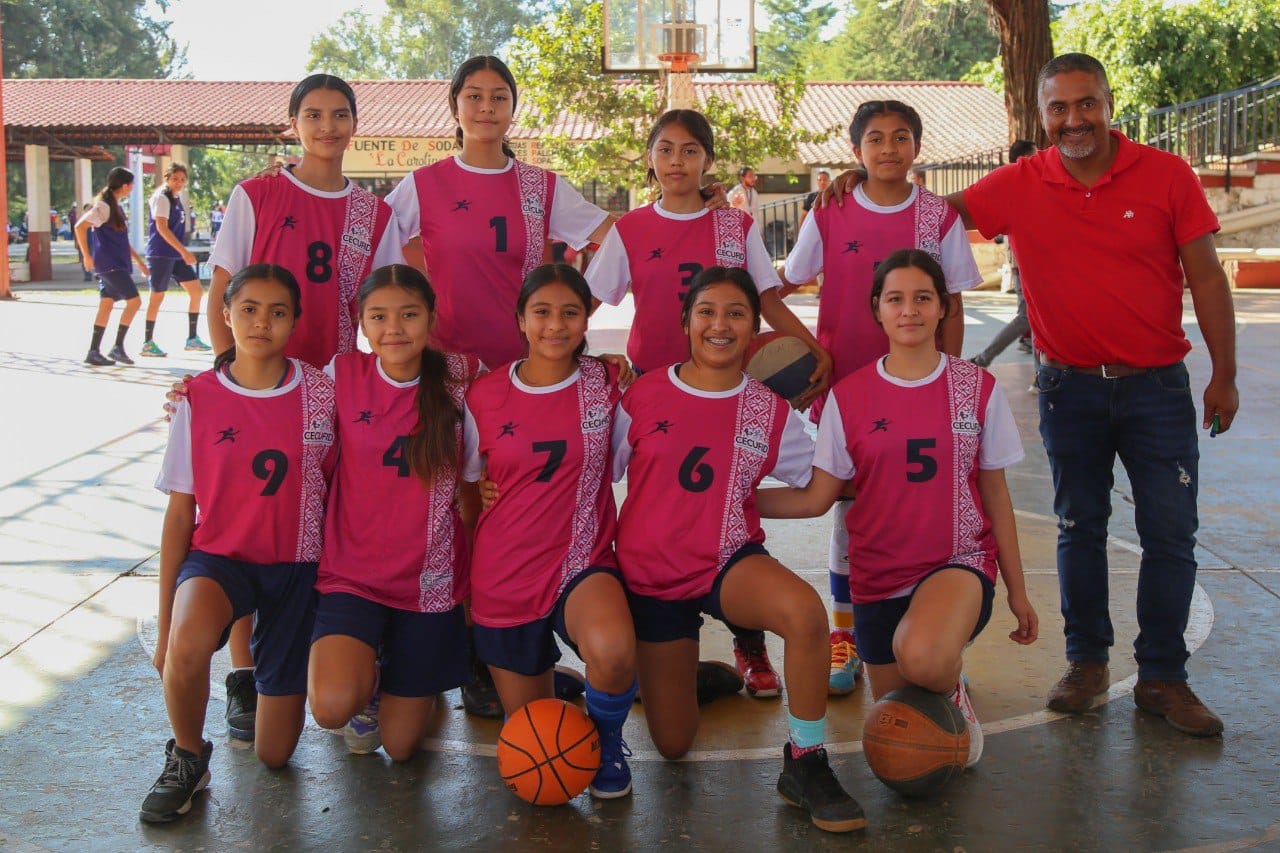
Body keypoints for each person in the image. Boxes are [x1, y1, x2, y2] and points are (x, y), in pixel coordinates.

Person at [952, 53, 1237, 736]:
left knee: (1171, 531)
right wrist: (855, 185)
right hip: (1066, 388)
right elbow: (926, 212)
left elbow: (1206, 277)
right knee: (1081, 527)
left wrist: (1224, 373)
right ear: (1043, 114)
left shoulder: (1166, 175)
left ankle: (1164, 676)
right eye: (1059, 108)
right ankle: (1085, 663)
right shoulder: (1022, 182)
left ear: (1110, 104)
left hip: (1158, 390)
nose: (1073, 120)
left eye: (1087, 104)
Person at [384, 55, 616, 717]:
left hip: (526, 377)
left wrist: (573, 314)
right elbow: (370, 247)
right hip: (447, 374)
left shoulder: (542, 186)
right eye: (475, 96)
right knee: (451, 508)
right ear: (454, 105)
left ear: (513, 109)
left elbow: (611, 239)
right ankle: (459, 645)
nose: (487, 108)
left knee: (510, 511)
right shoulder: (423, 185)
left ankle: (510, 645)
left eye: (499, 98)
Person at [757, 249, 1038, 771]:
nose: (909, 310)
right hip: (877, 574)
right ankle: (934, 673)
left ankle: (952, 687)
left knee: (925, 660)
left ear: (943, 309)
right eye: (896, 299)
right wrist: (736, 501)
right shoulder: (849, 396)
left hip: (957, 561)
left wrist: (1018, 590)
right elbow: (819, 496)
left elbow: (996, 492)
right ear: (878, 310)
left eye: (922, 298)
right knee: (894, 734)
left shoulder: (976, 388)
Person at [586, 108, 833, 697]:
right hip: (655, 384)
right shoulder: (630, 230)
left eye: (690, 151)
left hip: (728, 389)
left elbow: (764, 299)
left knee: (727, 518)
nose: (677, 161)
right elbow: (587, 302)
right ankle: (661, 627)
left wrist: (809, 344)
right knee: (664, 516)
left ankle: (749, 642)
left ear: (707, 160)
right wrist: (566, 359)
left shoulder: (732, 228)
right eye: (665, 150)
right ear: (650, 159)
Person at [611, 266, 866, 834]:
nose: (719, 325)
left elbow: (812, 496)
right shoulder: (643, 393)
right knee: (674, 744)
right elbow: (596, 478)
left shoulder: (768, 409)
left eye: (735, 314)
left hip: (726, 559)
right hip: (650, 575)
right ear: (686, 322)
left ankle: (804, 760)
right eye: (707, 312)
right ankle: (694, 674)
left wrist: (740, 498)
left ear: (755, 328)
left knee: (804, 614)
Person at [203, 73, 403, 742]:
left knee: (330, 527)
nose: (327, 125)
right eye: (313, 114)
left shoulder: (375, 215)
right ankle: (243, 674)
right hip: (263, 386)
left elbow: (384, 309)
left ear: (355, 124)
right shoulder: (256, 194)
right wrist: (229, 373)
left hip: (336, 394)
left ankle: (350, 658)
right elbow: (222, 290)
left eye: (339, 114)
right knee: (246, 527)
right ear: (293, 123)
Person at [784, 99, 982, 696]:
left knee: (922, 514)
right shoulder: (831, 209)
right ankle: (846, 638)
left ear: (917, 148)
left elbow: (955, 305)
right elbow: (784, 280)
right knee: (850, 513)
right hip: (849, 392)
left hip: (923, 390)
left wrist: (949, 380)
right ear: (856, 150)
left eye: (901, 137)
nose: (888, 149)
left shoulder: (937, 218)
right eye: (875, 138)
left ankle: (936, 632)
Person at [142, 264, 336, 823]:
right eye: (247, 308)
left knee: (274, 754)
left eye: (278, 311)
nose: (261, 322)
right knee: (185, 646)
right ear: (224, 315)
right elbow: (180, 516)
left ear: (295, 322)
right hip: (220, 558)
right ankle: (186, 756)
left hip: (296, 566)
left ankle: (262, 685)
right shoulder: (196, 399)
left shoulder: (322, 393)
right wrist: (164, 624)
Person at [463, 264, 638, 798]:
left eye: (570, 312)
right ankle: (562, 689)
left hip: (580, 559)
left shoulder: (608, 385)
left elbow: (638, 460)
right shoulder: (483, 395)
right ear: (521, 320)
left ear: (587, 319)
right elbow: (469, 483)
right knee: (540, 745)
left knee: (612, 652)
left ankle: (608, 739)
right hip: (504, 574)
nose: (555, 325)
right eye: (542, 312)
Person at [308, 264, 478, 759]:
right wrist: (196, 397)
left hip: (428, 581)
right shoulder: (341, 374)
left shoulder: (462, 379)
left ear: (431, 317)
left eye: (409, 314)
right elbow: (272, 406)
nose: (394, 328)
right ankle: (367, 671)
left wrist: (600, 365)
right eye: (378, 316)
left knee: (401, 748)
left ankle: (387, 672)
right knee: (333, 708)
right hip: (351, 573)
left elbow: (534, 384)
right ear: (360, 322)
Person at [968, 140, 1038, 371]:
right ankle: (983, 359)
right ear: (1022, 159)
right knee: (1027, 317)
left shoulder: (1032, 185)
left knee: (1038, 318)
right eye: (1034, 156)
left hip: (1035, 266)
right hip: (1024, 266)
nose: (1038, 160)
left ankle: (1042, 374)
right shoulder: (1011, 185)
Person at [74, 167, 150, 367]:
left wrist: (139, 262)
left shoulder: (115, 207)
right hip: (110, 264)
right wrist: (86, 256)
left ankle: (93, 351)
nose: (132, 188)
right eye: (131, 184)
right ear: (124, 185)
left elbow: (123, 240)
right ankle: (117, 346)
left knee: (106, 305)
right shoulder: (104, 206)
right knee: (134, 302)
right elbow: (79, 227)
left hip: (116, 263)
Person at [141, 162, 212, 357]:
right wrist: (185, 251)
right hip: (161, 253)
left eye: (182, 179)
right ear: (167, 179)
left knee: (196, 291)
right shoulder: (162, 197)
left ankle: (192, 338)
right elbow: (162, 228)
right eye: (175, 179)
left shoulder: (176, 198)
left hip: (175, 254)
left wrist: (181, 252)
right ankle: (147, 342)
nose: (179, 182)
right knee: (157, 297)